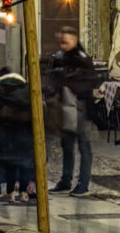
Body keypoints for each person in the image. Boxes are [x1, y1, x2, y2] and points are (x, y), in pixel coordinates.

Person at [43, 26, 102, 196]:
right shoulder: (61, 58)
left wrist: (67, 82)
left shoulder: (82, 59)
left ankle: (83, 184)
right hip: (66, 109)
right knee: (67, 145)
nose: (63, 46)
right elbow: (54, 80)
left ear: (74, 40)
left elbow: (88, 83)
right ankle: (65, 180)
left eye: (66, 42)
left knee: (84, 147)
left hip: (81, 108)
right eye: (61, 42)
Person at [0, 71, 37, 204]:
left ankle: (10, 193)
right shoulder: (26, 89)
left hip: (9, 133)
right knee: (25, 164)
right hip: (26, 134)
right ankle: (23, 193)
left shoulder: (1, 89)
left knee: (10, 163)